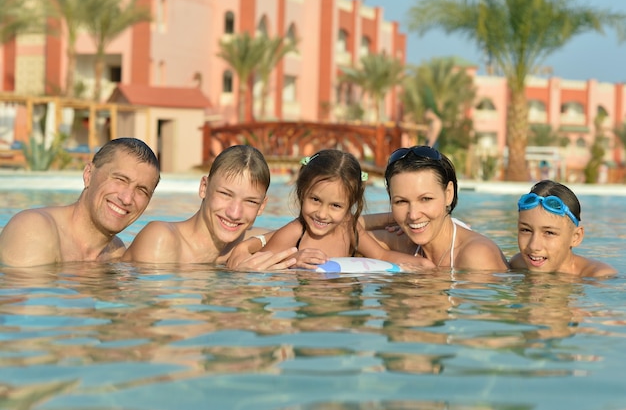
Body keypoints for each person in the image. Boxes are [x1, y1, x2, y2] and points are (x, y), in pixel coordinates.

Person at [255, 149, 435, 270]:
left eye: (335, 205)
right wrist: (293, 262)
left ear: (351, 205)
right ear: (302, 193)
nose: (322, 214)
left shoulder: (348, 226)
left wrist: (422, 264)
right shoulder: (294, 233)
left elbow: (380, 254)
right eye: (315, 200)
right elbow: (253, 267)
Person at [122, 145, 296, 269]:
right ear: (204, 187)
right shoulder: (162, 240)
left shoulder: (249, 241)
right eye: (225, 194)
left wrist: (245, 248)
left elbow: (303, 228)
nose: (235, 213)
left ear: (261, 206)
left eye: (250, 201)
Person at [0, 137, 161, 267]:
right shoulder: (34, 229)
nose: (127, 199)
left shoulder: (115, 254)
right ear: (88, 174)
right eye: (120, 179)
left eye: (142, 190)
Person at [365, 145, 509, 271]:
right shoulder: (402, 242)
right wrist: (392, 220)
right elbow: (346, 228)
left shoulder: (476, 256)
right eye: (401, 202)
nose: (413, 214)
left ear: (448, 194)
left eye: (426, 199)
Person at [509, 180, 616, 277]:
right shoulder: (517, 264)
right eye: (526, 230)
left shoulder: (598, 277)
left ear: (575, 237)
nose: (533, 246)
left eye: (549, 233)